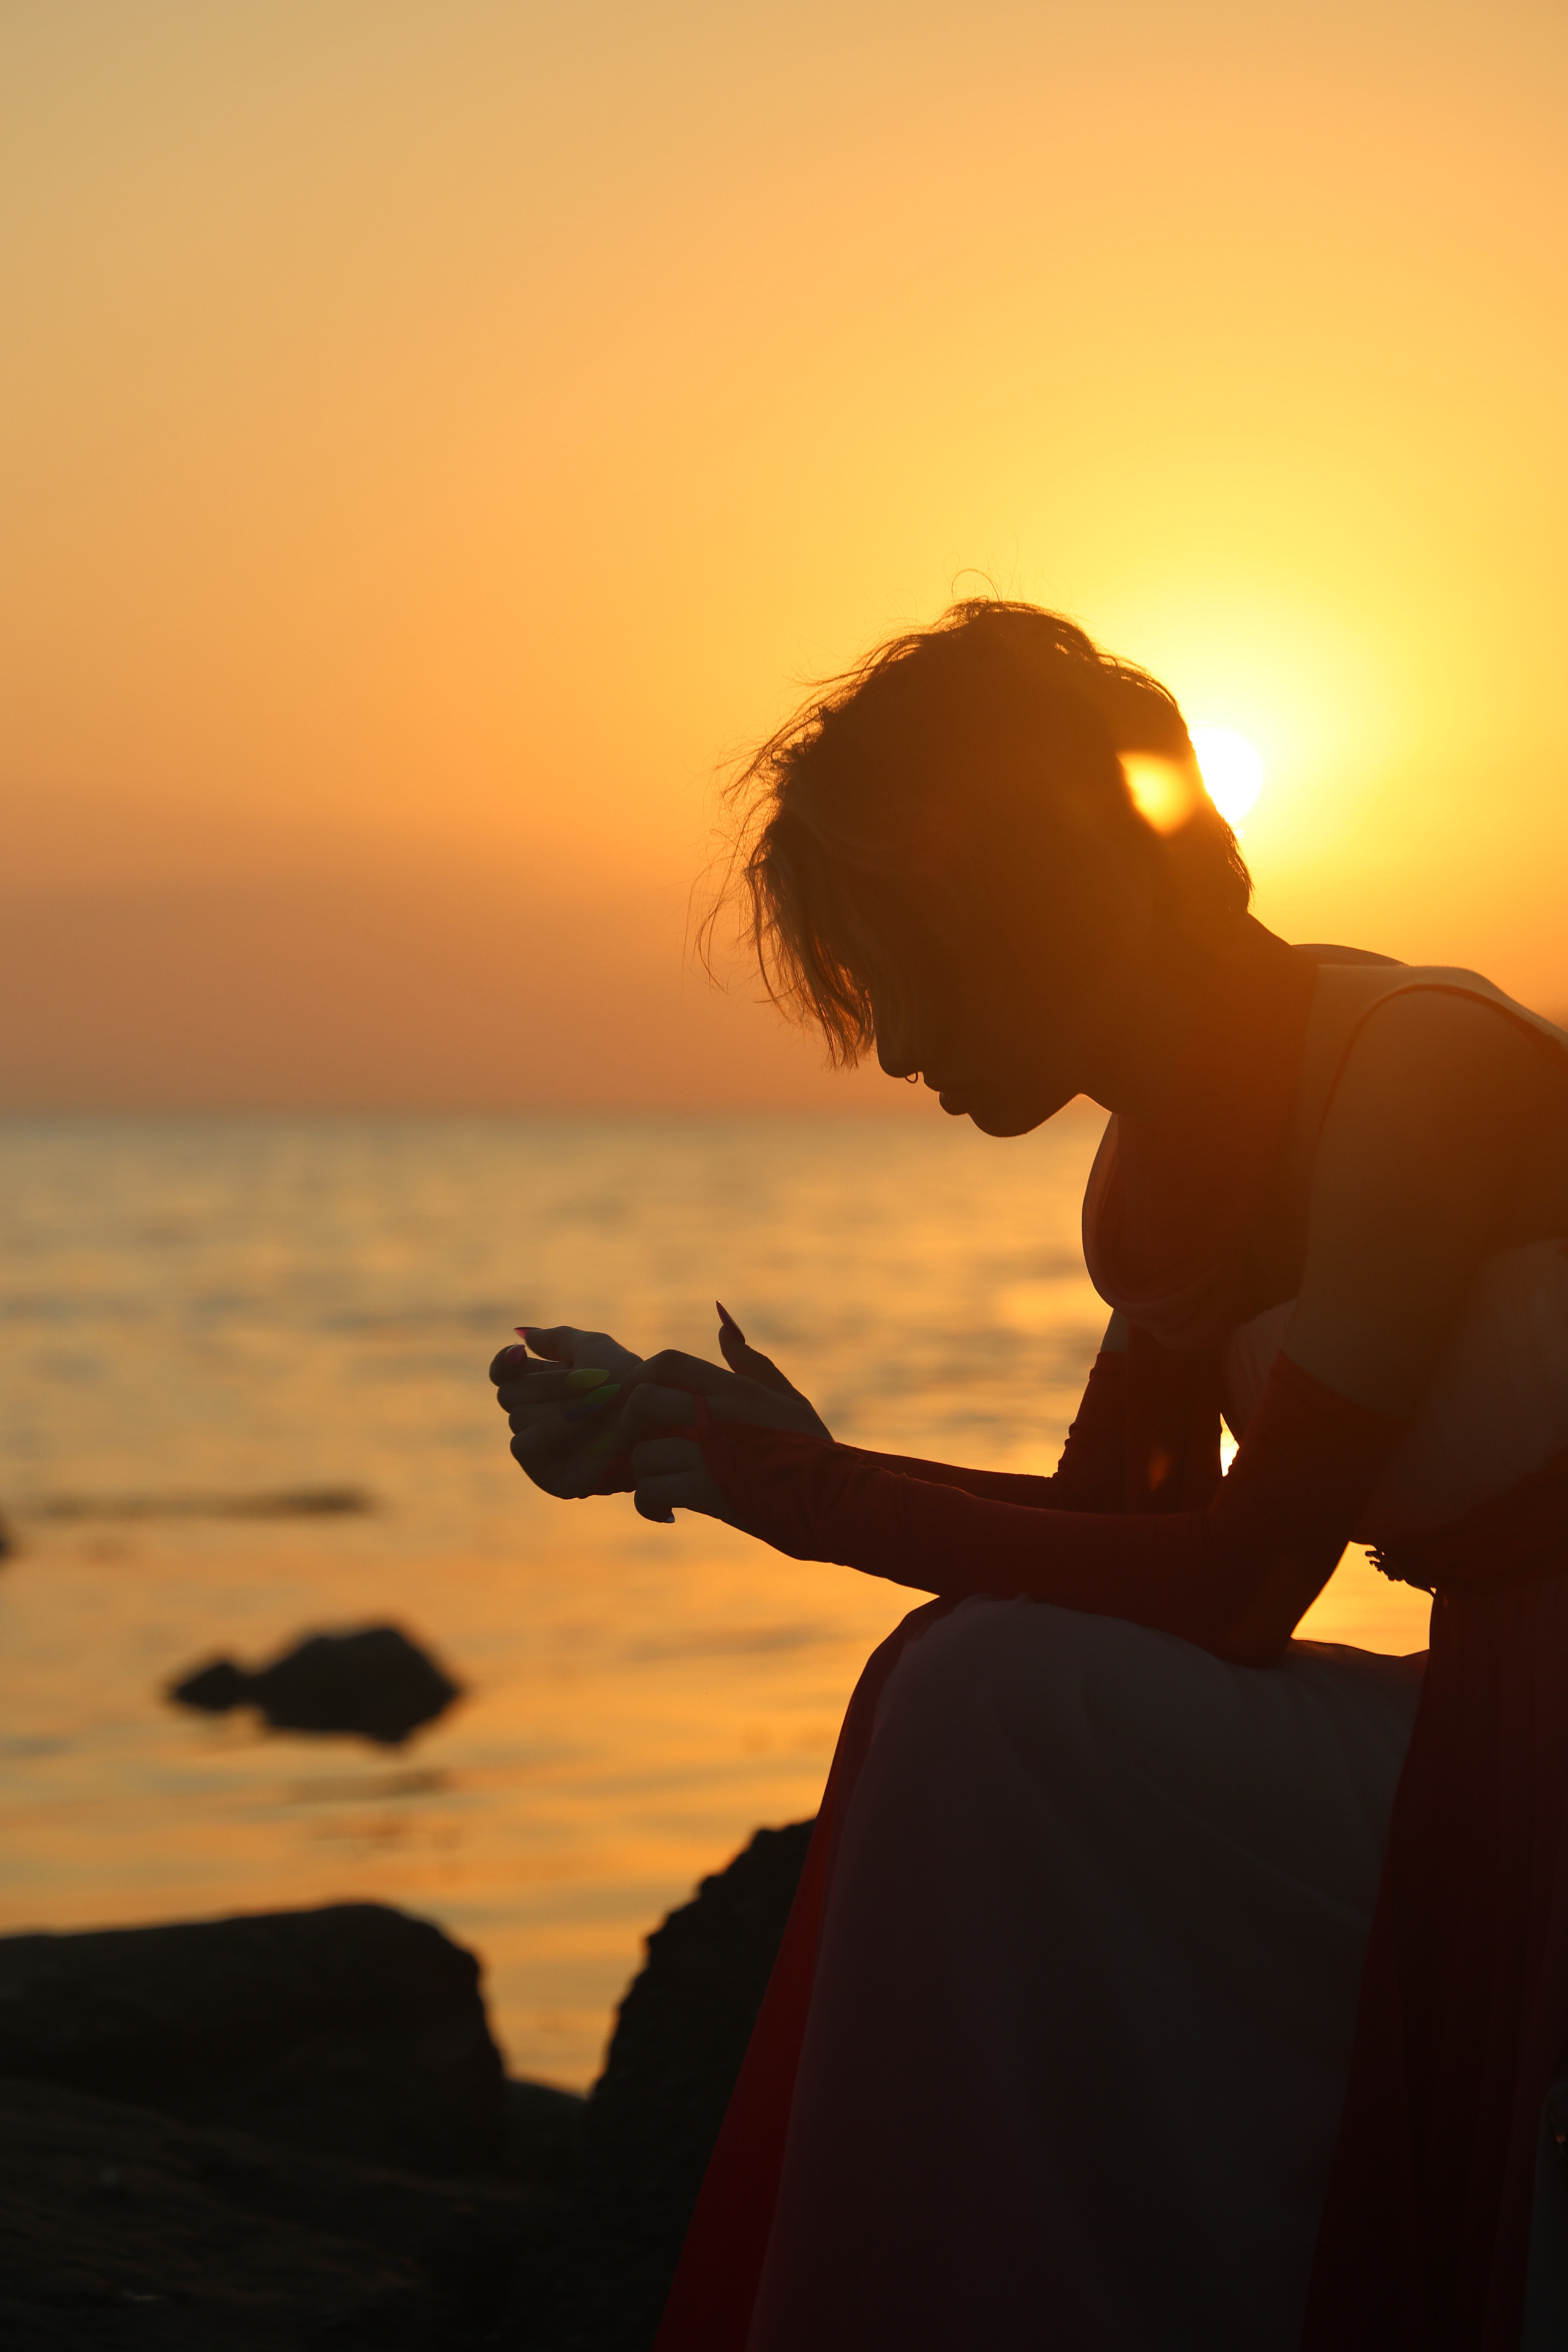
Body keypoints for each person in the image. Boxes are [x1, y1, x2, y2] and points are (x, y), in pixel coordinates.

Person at [490, 600, 1568, 2350]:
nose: (889, 1044)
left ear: (1039, 901)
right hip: (1495, 1727)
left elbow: (1235, 1586)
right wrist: (778, 1458)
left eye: (894, 966)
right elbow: (1120, 1532)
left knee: (989, 1694)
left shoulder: (1414, 1072)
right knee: (985, 1686)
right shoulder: (1156, 1174)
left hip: (1534, 1753)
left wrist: (807, 1499)